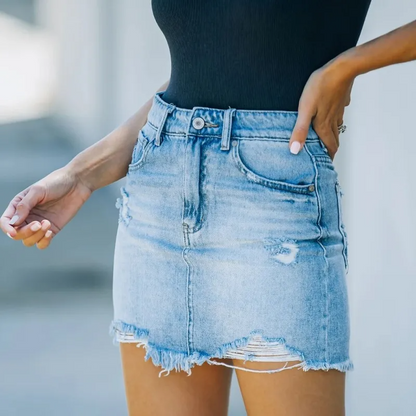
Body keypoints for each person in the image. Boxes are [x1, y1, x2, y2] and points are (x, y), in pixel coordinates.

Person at [1, 1, 415, 415]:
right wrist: (80, 175)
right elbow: (201, 77)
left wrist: (346, 67)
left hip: (275, 209)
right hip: (158, 202)